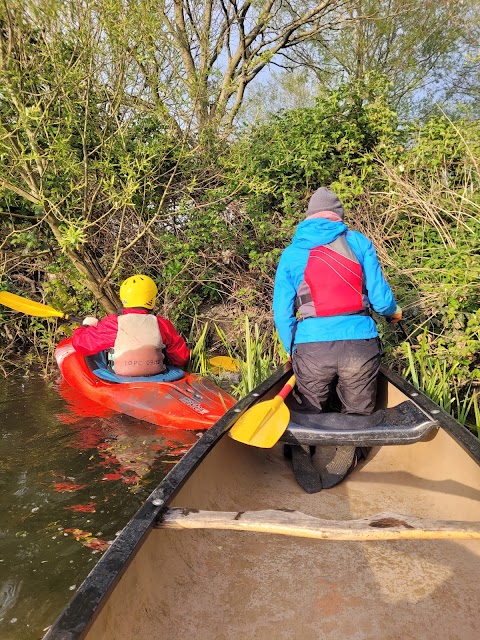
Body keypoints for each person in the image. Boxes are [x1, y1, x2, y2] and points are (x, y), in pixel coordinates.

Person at [273, 187, 402, 417]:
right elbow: (381, 302)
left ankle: (309, 450)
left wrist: (291, 349)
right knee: (358, 414)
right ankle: (349, 452)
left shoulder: (291, 253)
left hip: (312, 348)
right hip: (359, 345)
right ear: (339, 217)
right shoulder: (359, 242)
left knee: (308, 414)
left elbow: (282, 315)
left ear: (309, 217)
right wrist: (394, 312)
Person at [72, 275, 190, 377]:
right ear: (151, 298)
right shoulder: (162, 324)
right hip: (158, 376)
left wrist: (86, 326)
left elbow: (81, 344)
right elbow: (181, 357)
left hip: (119, 378)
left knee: (100, 353)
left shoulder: (113, 323)